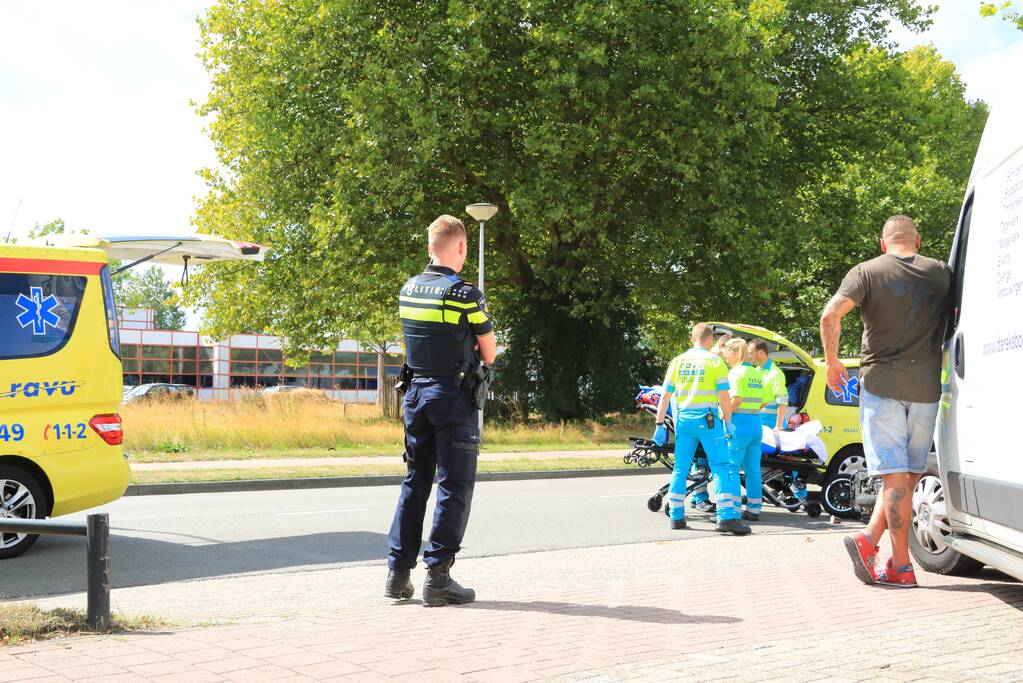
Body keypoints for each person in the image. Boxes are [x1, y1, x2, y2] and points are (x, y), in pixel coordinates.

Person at [819, 215, 951, 588]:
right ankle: (867, 541)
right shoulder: (942, 272)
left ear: (883, 243)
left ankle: (902, 566)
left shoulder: (866, 272)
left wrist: (832, 363)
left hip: (882, 386)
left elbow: (830, 316)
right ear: (918, 240)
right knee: (907, 478)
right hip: (926, 389)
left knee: (895, 478)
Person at [386, 215, 497, 606]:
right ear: (462, 247)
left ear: (429, 246)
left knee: (415, 481)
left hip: (415, 396)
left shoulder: (408, 289)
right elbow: (489, 351)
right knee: (454, 484)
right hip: (452, 398)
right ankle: (438, 577)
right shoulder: (465, 293)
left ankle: (398, 574)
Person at [653, 323, 751, 535]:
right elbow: (724, 396)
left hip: (684, 421)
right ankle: (726, 519)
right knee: (720, 467)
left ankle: (677, 517)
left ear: (692, 338)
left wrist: (659, 424)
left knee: (681, 467)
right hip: (708, 421)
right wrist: (728, 422)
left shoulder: (677, 361)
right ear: (709, 340)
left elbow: (665, 396)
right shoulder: (715, 361)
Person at [721, 339, 766, 521]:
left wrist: (723, 414)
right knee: (753, 469)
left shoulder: (736, 373)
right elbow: (764, 400)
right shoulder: (757, 373)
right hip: (756, 424)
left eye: (726, 353)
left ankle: (733, 509)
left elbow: (736, 399)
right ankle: (754, 509)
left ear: (735, 353)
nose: (725, 357)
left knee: (731, 468)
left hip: (738, 425)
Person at [749, 339, 789, 431]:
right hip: (759, 425)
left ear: (760, 353)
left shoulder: (775, 373)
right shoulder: (755, 372)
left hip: (772, 429)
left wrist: (778, 426)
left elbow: (782, 401)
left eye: (751, 353)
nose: (749, 356)